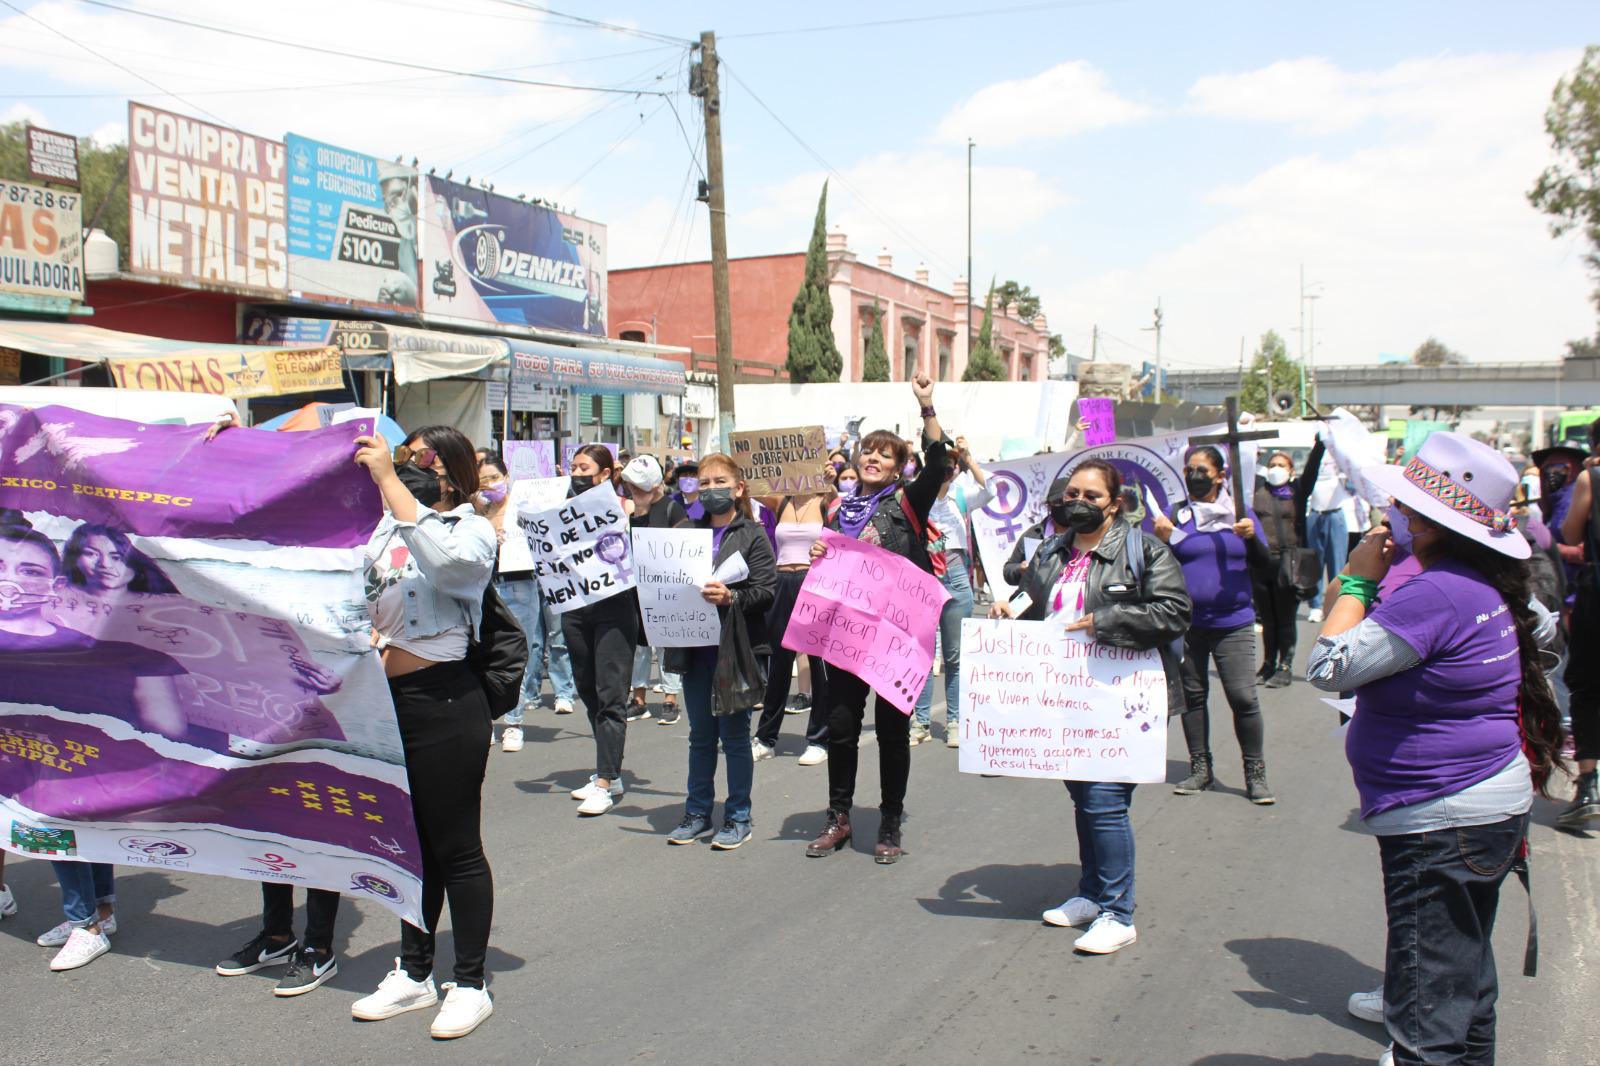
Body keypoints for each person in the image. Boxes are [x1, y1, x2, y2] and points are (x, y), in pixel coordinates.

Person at [1307, 431, 1565, 1066]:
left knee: (1428, 1014)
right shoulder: (1485, 580)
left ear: (1422, 520)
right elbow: (1545, 627)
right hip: (1481, 803)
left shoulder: (1440, 591)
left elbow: (1327, 665)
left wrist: (1357, 580)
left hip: (1443, 815)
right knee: (1464, 982)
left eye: (1402, 505)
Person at [994, 459, 1190, 954]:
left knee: (1105, 802)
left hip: (1121, 699)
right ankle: (1091, 893)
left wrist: (1105, 620)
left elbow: (1174, 612)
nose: (1078, 502)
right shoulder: (1053, 550)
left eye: (1092, 495)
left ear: (1115, 503)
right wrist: (1009, 609)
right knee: (1085, 800)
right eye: (1072, 493)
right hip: (1065, 698)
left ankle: (1117, 914)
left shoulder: (1144, 550)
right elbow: (1037, 602)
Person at [350, 424, 497, 1039]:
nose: (407, 469)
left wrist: (389, 481)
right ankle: (414, 972)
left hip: (447, 704)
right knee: (410, 846)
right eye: (400, 460)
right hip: (389, 704)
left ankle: (469, 981)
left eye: (419, 462)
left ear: (451, 471)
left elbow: (451, 570)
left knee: (454, 845)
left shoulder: (473, 529)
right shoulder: (384, 526)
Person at [804, 373, 948, 864]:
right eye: (869, 451)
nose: (874, 458)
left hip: (895, 635)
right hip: (846, 633)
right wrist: (820, 551)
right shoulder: (837, 508)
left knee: (891, 730)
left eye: (886, 455)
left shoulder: (907, 503)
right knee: (841, 726)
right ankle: (838, 817)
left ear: (898, 468)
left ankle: (889, 821)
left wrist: (926, 406)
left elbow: (940, 461)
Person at [664, 453, 777, 848]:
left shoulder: (752, 534)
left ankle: (737, 817)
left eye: (720, 482)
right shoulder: (686, 532)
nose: (711, 488)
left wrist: (731, 597)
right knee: (700, 736)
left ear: (739, 489)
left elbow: (766, 590)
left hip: (735, 651)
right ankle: (697, 812)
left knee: (733, 737)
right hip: (695, 650)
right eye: (705, 482)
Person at [1154, 444, 1275, 803]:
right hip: (1188, 624)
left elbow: (1266, 566)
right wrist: (1164, 540)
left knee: (1242, 696)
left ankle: (1255, 774)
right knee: (1193, 696)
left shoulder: (1240, 514)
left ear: (1221, 475)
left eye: (1202, 470)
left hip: (1233, 622)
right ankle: (1200, 768)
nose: (1194, 475)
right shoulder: (1177, 515)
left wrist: (1252, 539)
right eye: (1189, 469)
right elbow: (1159, 566)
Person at [561, 445, 641, 816]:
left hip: (613, 610)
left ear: (606, 473)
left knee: (611, 695)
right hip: (575, 608)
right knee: (588, 689)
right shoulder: (560, 510)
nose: (577, 472)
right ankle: (608, 768)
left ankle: (606, 782)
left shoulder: (625, 508)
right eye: (573, 466)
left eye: (584, 467)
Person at [912, 443, 993, 747]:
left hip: (956, 574)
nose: (949, 469)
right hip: (925, 575)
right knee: (922, 655)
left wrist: (970, 457)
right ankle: (919, 722)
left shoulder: (961, 494)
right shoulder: (916, 495)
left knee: (955, 656)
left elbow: (990, 492)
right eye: (943, 464)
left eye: (952, 464)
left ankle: (955, 722)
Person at [753, 487, 831, 765]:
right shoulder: (780, 500)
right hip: (781, 581)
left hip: (814, 583)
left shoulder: (828, 501)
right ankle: (765, 738)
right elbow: (749, 480)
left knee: (818, 661)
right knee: (778, 663)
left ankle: (819, 739)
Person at [477, 454, 548, 752]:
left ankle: (514, 722)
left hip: (520, 583)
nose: (490, 485)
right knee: (482, 652)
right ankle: (485, 721)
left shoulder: (524, 509)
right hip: (484, 586)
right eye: (483, 481)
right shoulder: (475, 513)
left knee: (519, 651)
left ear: (506, 477)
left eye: (494, 477)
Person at [622, 455, 688, 725]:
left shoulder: (672, 509)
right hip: (636, 589)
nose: (634, 492)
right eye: (631, 486)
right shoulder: (632, 512)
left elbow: (684, 547)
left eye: (640, 486)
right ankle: (638, 698)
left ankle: (670, 698)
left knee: (664, 644)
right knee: (638, 647)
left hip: (666, 590)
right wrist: (638, 513)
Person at [1251, 444, 1323, 688]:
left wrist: (1319, 444)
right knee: (1267, 619)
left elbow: (1312, 471)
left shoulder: (1296, 492)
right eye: (1272, 465)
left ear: (1291, 470)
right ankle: (1268, 662)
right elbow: (1243, 469)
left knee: (1285, 618)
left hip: (1288, 562)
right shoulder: (1258, 490)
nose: (1276, 469)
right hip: (1261, 562)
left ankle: (1285, 666)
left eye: (1281, 465)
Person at [1557, 425, 1600, 830]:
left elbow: (1570, 532)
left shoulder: (1591, 478)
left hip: (1596, 593)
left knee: (1586, 684)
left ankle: (1589, 784)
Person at [1305, 437, 1356, 624]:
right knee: (1315, 564)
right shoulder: (1313, 459)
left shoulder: (1340, 464)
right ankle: (1315, 605)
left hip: (1334, 515)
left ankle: (1335, 603)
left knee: (1337, 563)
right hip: (1315, 513)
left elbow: (1353, 484)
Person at [61, 523, 179, 595]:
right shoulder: (55, 597)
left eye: (116, 557)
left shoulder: (167, 603)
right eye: (91, 554)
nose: (105, 564)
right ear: (74, 558)